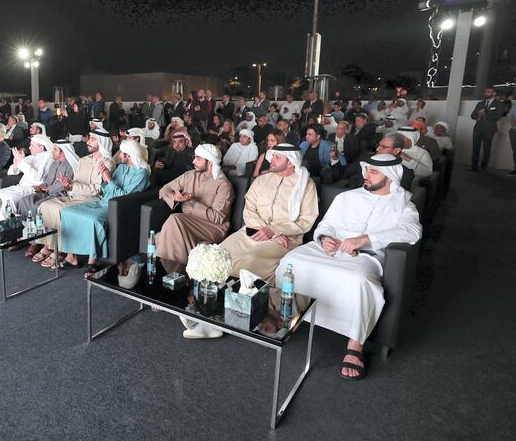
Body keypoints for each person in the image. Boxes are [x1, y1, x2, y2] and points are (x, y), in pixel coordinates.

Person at [276, 154, 422, 379]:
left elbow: (412, 232)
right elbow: (327, 224)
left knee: (359, 280)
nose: (366, 175)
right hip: (328, 250)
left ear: (390, 177)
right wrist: (325, 238)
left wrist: (365, 239)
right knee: (290, 262)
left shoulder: (403, 204)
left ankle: (355, 346)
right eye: (367, 170)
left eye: (374, 172)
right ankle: (287, 318)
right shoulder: (347, 197)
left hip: (364, 255)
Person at [219, 143, 319, 282]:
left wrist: (274, 230)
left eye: (276, 157)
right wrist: (267, 231)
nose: (271, 160)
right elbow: (249, 209)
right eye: (272, 156)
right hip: (251, 232)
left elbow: (306, 220)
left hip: (285, 239)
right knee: (219, 253)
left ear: (290, 162)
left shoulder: (306, 185)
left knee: (249, 262)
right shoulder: (262, 180)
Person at [56, 140, 150, 274]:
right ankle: (72, 256)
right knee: (67, 212)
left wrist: (109, 179)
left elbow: (124, 198)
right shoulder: (122, 167)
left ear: (128, 155)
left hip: (118, 207)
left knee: (93, 220)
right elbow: (106, 189)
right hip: (103, 200)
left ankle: (92, 262)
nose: (118, 155)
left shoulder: (141, 174)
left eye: (121, 153)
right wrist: (105, 178)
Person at [33, 130, 116, 268]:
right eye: (89, 138)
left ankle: (60, 251)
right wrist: (67, 185)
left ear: (102, 142)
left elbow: (97, 190)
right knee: (46, 206)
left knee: (59, 209)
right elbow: (74, 183)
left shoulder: (108, 163)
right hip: (73, 195)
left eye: (93, 139)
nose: (88, 141)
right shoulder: (83, 160)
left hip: (91, 199)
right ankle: (52, 247)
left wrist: (72, 185)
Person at [151, 144, 235, 272]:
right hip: (186, 221)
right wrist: (175, 197)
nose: (193, 161)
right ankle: (176, 275)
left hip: (212, 227)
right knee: (160, 235)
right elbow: (165, 189)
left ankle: (168, 273)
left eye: (198, 158)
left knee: (172, 222)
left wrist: (193, 203)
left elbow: (218, 218)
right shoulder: (190, 175)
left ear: (210, 162)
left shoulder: (224, 185)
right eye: (194, 157)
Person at [19, 140, 79, 258]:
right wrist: (40, 186)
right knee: (24, 201)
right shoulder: (54, 163)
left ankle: (43, 243)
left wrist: (48, 189)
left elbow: (64, 185)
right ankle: (32, 238)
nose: (52, 151)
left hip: (60, 195)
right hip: (47, 192)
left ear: (63, 151)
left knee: (37, 207)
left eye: (55, 149)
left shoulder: (71, 164)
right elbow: (47, 180)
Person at [0, 135, 54, 209]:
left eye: (32, 145)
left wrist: (22, 161)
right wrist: (16, 162)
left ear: (41, 147)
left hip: (33, 189)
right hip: (20, 187)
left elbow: (37, 177)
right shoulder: (32, 157)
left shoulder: (48, 158)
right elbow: (11, 172)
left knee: (8, 200)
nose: (29, 147)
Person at [470, 87, 507, 171]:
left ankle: (483, 167)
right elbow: (472, 116)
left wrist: (485, 114)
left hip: (489, 129)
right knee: (475, 148)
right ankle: (474, 166)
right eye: (485, 92)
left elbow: (497, 117)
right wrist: (478, 116)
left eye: (488, 92)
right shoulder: (480, 103)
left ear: (494, 93)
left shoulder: (499, 104)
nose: (486, 93)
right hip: (478, 129)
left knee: (486, 148)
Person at [507, 106, 516, 176]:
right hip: (514, 130)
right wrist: (512, 120)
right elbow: (508, 116)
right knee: (515, 151)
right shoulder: (515, 105)